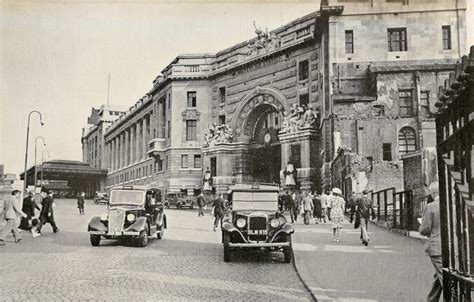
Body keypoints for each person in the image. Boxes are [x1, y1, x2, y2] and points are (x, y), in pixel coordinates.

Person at [419, 182, 442, 301]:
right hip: (451, 246)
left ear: (433, 193)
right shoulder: (451, 204)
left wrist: (421, 227)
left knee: (444, 277)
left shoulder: (430, 207)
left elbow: (425, 229)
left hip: (436, 247)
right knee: (439, 275)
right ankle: (432, 299)